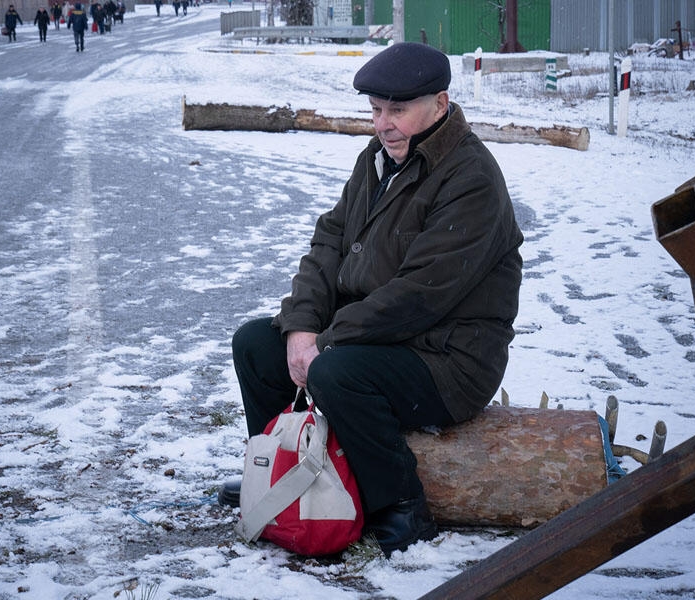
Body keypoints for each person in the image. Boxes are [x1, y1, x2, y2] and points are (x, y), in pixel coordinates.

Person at [223, 42, 523, 557]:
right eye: (376, 110)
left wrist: (328, 342)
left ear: (441, 104)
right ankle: (284, 473)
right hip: (377, 338)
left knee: (335, 371)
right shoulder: (378, 159)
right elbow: (329, 243)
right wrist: (300, 328)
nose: (383, 123)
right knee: (256, 344)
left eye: (398, 110)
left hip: (449, 358)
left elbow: (420, 294)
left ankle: (401, 510)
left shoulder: (471, 178)